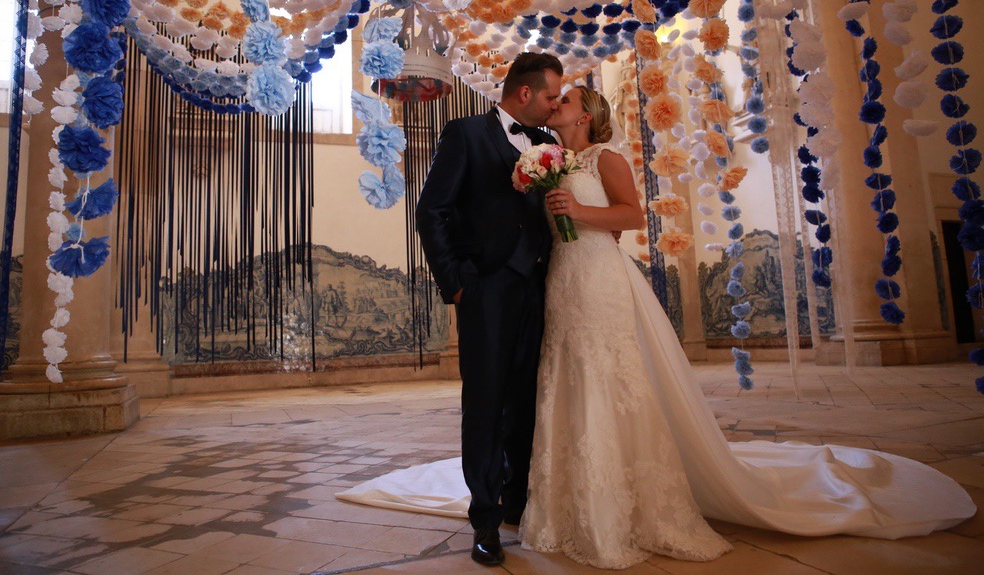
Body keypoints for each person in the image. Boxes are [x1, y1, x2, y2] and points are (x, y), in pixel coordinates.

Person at [340, 86, 975, 569]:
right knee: (560, 382)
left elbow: (628, 217)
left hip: (596, 274)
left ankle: (626, 494)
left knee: (609, 375)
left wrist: (576, 209)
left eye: (565, 99)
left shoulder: (606, 156)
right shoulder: (548, 154)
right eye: (553, 95)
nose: (555, 104)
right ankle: (556, 497)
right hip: (555, 281)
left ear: (584, 113)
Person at [413, 52, 564, 566]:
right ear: (525, 93)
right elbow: (430, 210)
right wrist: (456, 284)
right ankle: (485, 520)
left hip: (539, 288)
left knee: (525, 399)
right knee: (485, 403)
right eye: (549, 96)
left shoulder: (549, 145)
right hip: (485, 291)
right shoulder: (466, 133)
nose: (553, 106)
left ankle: (517, 500)